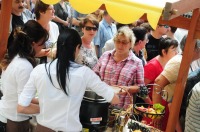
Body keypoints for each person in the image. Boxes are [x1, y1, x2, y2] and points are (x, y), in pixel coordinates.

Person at [17, 28, 119, 132]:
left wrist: (47, 109)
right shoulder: (84, 73)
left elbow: (21, 107)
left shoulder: (39, 70)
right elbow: (114, 99)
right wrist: (117, 92)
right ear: (77, 48)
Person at [0, 20, 48, 132]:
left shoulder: (16, 58)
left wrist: (45, 101)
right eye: (42, 43)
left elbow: (25, 97)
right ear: (33, 44)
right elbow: (23, 107)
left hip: (8, 115)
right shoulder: (24, 66)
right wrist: (48, 109)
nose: (43, 47)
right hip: (13, 121)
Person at [152, 35, 200, 131]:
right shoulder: (179, 62)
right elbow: (158, 83)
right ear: (194, 48)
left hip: (172, 109)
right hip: (166, 108)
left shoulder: (186, 61)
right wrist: (157, 111)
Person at [93, 26, 144, 109]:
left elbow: (140, 86)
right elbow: (95, 74)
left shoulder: (136, 62)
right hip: (100, 104)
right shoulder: (106, 55)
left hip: (121, 108)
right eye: (118, 41)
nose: (120, 45)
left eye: (124, 42)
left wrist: (127, 88)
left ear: (131, 43)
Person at [143, 37, 178, 131]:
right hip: (155, 108)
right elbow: (141, 86)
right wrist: (151, 103)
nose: (176, 53)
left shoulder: (170, 64)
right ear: (164, 52)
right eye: (174, 50)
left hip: (166, 107)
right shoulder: (153, 65)